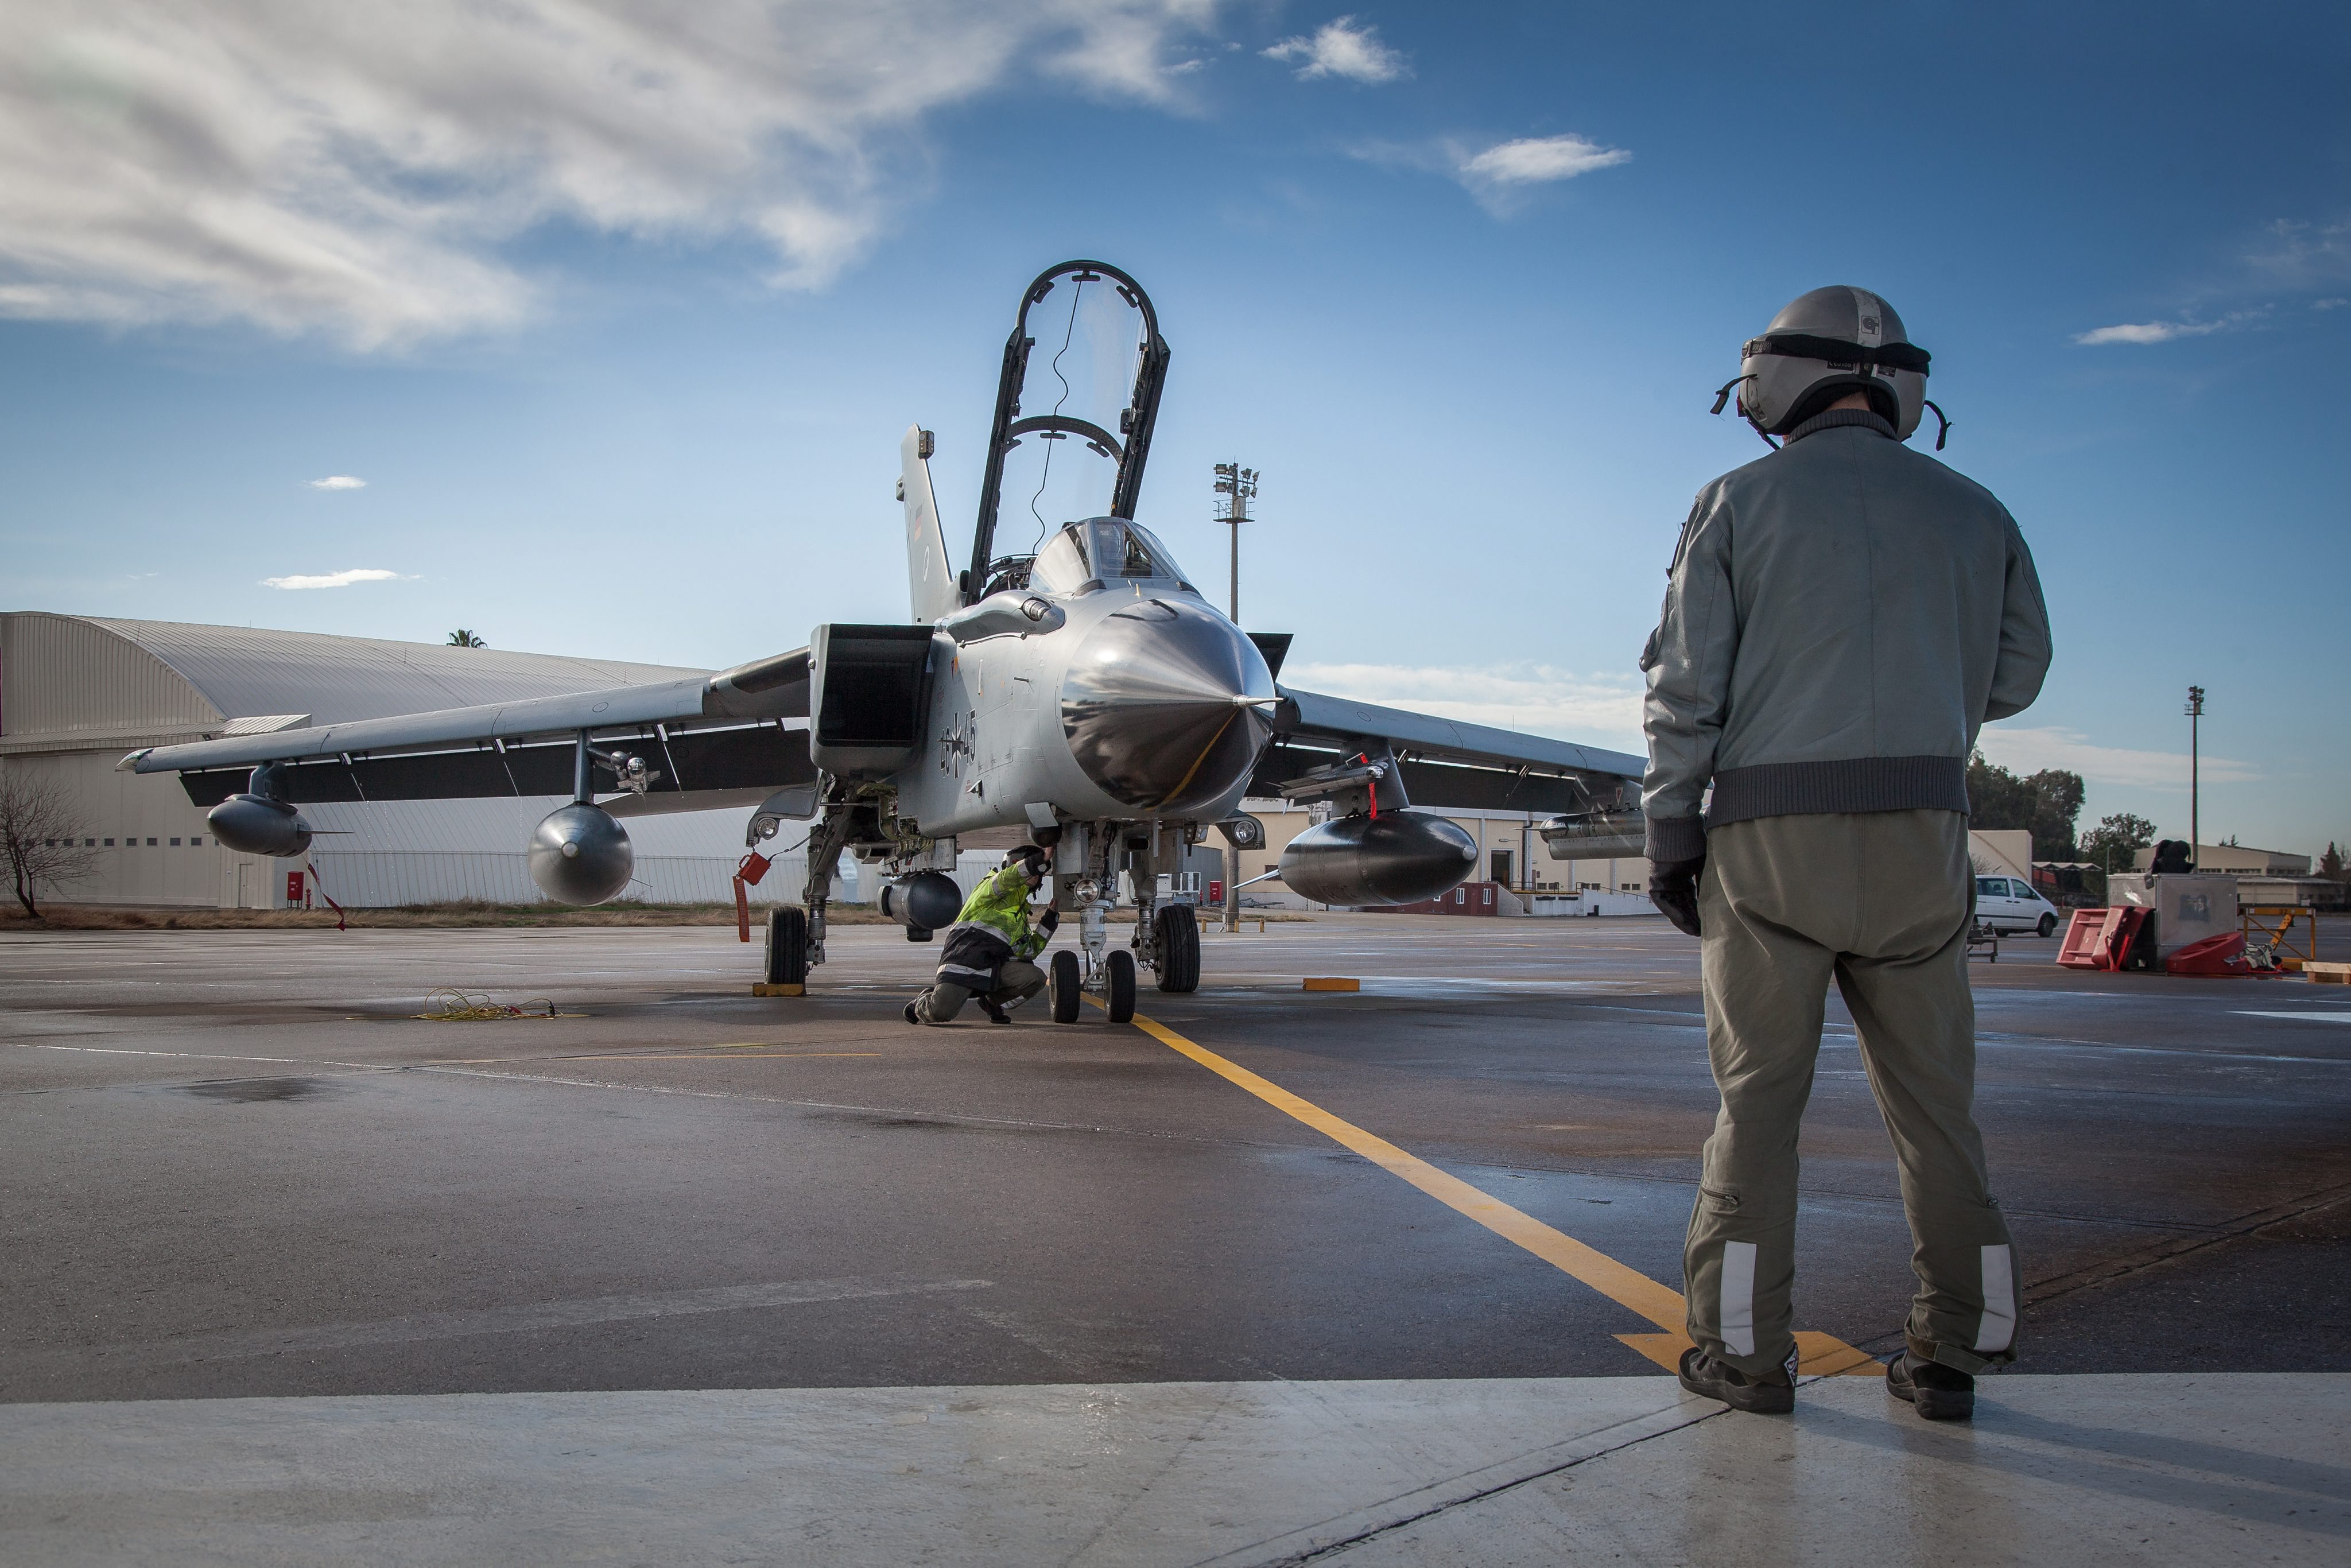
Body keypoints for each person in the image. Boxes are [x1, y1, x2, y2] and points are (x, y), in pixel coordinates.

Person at [1642, 286, 2052, 1422]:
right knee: (1937, 1118)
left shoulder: (1732, 501)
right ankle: (1955, 1354)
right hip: (1923, 842)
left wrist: (1672, 831)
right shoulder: (1978, 512)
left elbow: (1684, 690)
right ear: (1897, 389)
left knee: (1755, 1117)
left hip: (1769, 848)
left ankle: (1741, 1355)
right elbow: (2016, 676)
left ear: (1776, 380)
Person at [905, 845, 1058, 1025]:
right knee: (940, 1013)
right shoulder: (990, 887)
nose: (1035, 875)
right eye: (1031, 869)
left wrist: (1049, 921)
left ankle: (991, 1002)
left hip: (994, 966)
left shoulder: (1020, 916)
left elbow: (1029, 951)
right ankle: (920, 1004)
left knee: (1035, 978)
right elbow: (1009, 878)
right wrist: (1040, 859)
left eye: (1039, 873)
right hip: (965, 960)